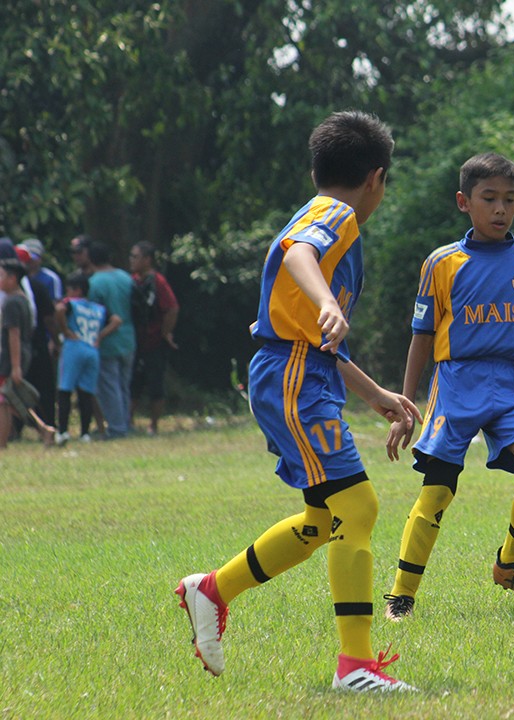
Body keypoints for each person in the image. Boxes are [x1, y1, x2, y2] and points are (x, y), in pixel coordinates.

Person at [174, 110, 420, 693]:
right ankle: (355, 668)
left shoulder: (324, 211)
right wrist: (326, 303)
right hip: (291, 376)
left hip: (301, 371)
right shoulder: (334, 214)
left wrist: (375, 394)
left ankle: (211, 590)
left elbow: (320, 340)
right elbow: (297, 255)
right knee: (357, 510)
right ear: (375, 179)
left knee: (323, 518)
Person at [383, 152, 514, 622]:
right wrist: (405, 401)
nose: (501, 209)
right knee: (439, 488)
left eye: (509, 199)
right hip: (457, 383)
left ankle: (511, 566)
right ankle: (401, 595)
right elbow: (421, 336)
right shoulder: (442, 263)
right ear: (465, 202)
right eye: (489, 199)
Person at [0, 258, 56, 449]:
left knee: (4, 400)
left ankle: (2, 442)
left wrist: (15, 366)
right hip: (23, 352)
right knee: (11, 399)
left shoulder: (11, 303)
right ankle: (43, 429)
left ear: (13, 278)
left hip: (11, 357)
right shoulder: (23, 299)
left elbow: (13, 333)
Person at [128, 241, 180, 435]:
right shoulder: (131, 281)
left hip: (155, 342)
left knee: (155, 384)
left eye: (135, 256)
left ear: (147, 260)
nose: (131, 260)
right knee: (133, 383)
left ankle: (153, 425)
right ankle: (128, 421)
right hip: (134, 341)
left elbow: (172, 308)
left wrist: (165, 333)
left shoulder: (157, 281)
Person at [86, 240, 136, 438]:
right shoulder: (125, 277)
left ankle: (116, 428)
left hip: (107, 340)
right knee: (124, 385)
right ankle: (126, 423)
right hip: (129, 337)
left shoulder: (94, 283)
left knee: (109, 386)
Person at [54, 273, 109, 445]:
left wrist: (64, 330)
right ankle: (85, 433)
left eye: (68, 289)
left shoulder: (71, 303)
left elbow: (59, 309)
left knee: (65, 389)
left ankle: (63, 431)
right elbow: (116, 320)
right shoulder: (98, 308)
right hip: (92, 349)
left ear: (77, 290)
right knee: (86, 392)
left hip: (74, 347)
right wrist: (100, 336)